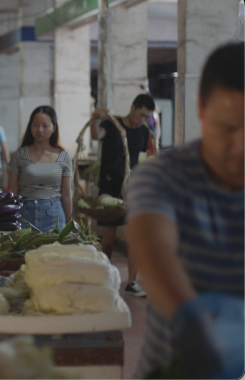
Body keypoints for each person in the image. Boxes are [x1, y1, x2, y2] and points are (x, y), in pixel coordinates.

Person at [126, 42, 243, 379]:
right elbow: (154, 250)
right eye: (228, 129)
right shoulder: (163, 175)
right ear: (202, 111)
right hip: (173, 365)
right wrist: (190, 319)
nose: (241, 147)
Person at [90, 94, 155, 296]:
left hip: (132, 189)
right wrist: (94, 118)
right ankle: (105, 276)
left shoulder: (144, 132)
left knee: (136, 238)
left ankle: (132, 282)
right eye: (141, 115)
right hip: (110, 187)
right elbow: (95, 136)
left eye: (146, 117)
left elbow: (144, 158)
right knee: (108, 236)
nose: (142, 120)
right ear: (133, 107)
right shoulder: (113, 125)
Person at [7, 106, 72, 233]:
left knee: (54, 252)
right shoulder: (19, 155)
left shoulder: (64, 156)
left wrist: (70, 224)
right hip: (25, 215)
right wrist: (8, 219)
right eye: (36, 125)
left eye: (45, 125)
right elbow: (12, 191)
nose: (40, 130)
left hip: (55, 217)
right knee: (25, 252)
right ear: (30, 126)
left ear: (54, 128)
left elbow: (67, 194)